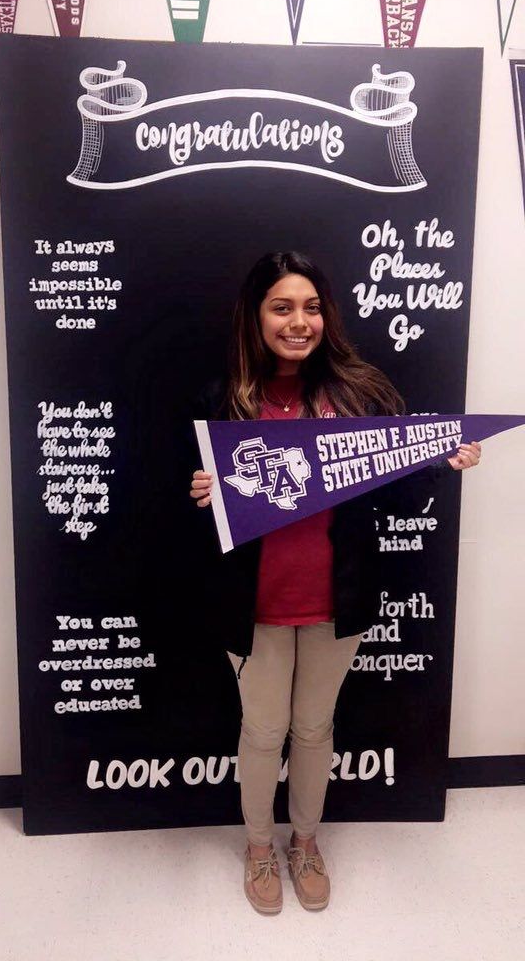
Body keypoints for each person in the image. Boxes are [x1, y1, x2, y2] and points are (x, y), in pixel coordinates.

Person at [189, 251, 481, 916]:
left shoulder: (358, 394)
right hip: (253, 603)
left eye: (312, 307)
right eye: (282, 307)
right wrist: (200, 493)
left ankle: (305, 842)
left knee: (315, 728)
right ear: (256, 315)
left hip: (334, 599)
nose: (299, 322)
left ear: (327, 316)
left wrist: (441, 464)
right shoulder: (221, 399)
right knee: (263, 732)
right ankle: (259, 846)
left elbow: (400, 504)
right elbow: (194, 513)